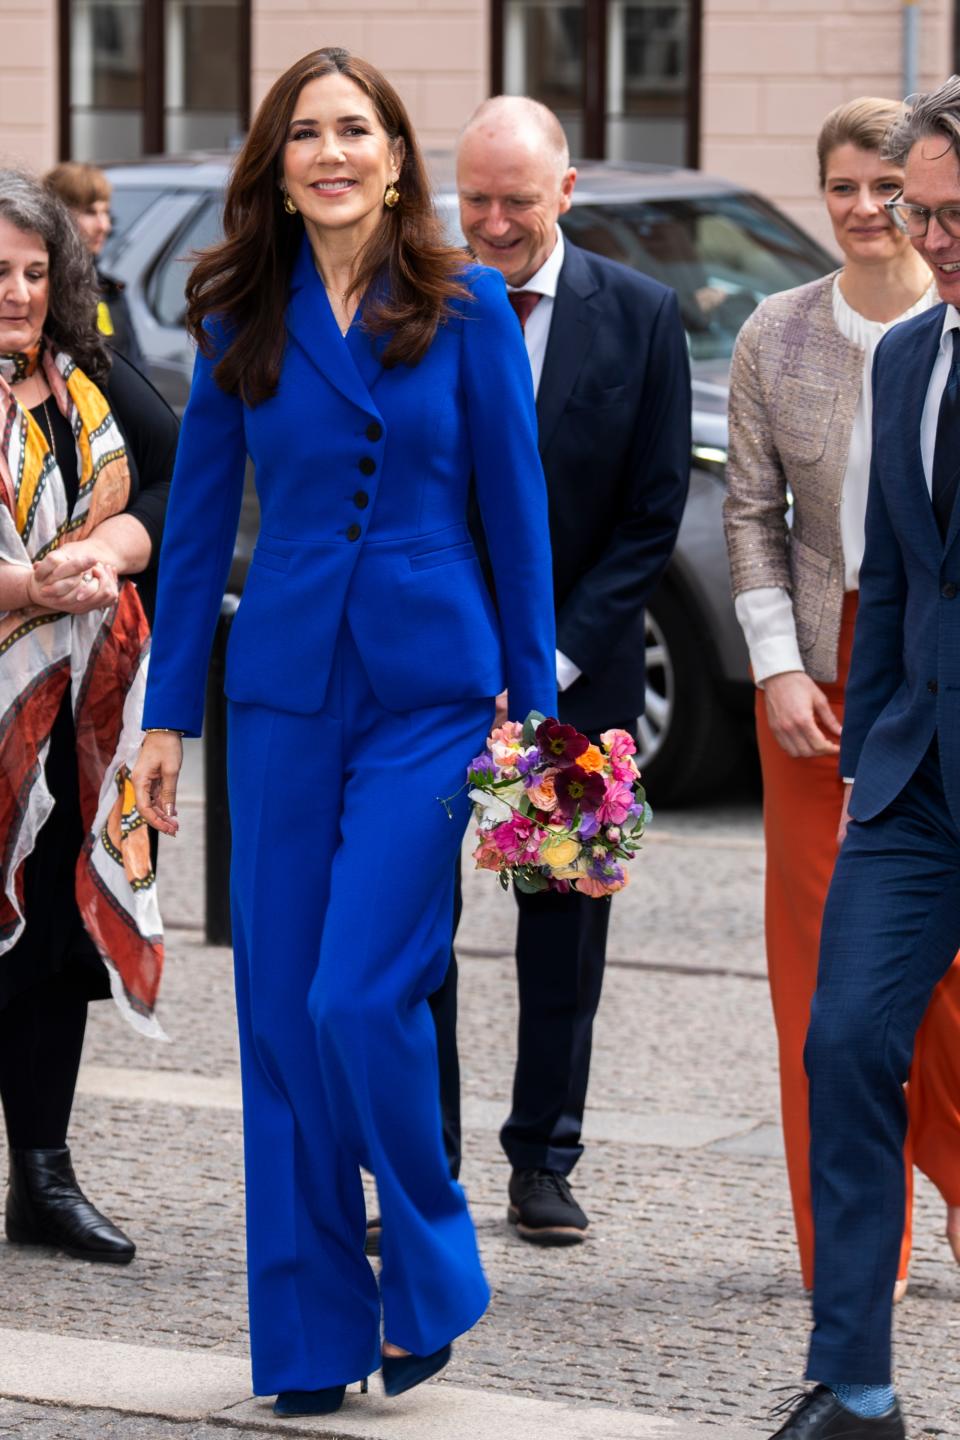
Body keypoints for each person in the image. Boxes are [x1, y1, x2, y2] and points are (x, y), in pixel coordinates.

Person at [131, 48, 556, 1419]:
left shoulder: (469, 303)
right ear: (277, 162)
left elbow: (519, 515)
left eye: (353, 129)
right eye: (305, 133)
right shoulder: (233, 315)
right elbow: (193, 539)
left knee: (354, 997)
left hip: (434, 697)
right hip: (284, 698)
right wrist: (164, 725)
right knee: (277, 1026)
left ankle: (430, 1272)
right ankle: (312, 1342)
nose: (330, 151)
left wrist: (538, 727)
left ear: (393, 154)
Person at [430, 95, 689, 1245]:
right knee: (408, 923)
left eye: (515, 203)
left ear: (567, 193)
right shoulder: (417, 310)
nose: (491, 223)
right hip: (429, 674)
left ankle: (545, 1159)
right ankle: (422, 1154)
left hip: (577, 687)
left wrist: (550, 653)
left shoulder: (639, 316)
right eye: (474, 199)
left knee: (564, 929)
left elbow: (652, 516)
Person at [724, 96, 960, 1314]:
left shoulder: (951, 322)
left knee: (941, 976)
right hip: (825, 666)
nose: (869, 212)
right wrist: (775, 666)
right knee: (819, 976)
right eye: (845, 188)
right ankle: (852, 1270)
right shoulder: (777, 332)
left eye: (891, 189)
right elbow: (751, 516)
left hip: (945, 665)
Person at [0, 172, 175, 1266]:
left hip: (84, 722)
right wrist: (25, 590)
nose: (16, 293)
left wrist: (108, 552)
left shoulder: (92, 380)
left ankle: (44, 1179)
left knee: (54, 940)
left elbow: (188, 477)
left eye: (32, 271)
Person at [43, 162, 146, 370]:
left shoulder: (110, 289)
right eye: (90, 212)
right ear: (58, 214)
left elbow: (136, 370)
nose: (104, 226)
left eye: (106, 212)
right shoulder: (41, 289)